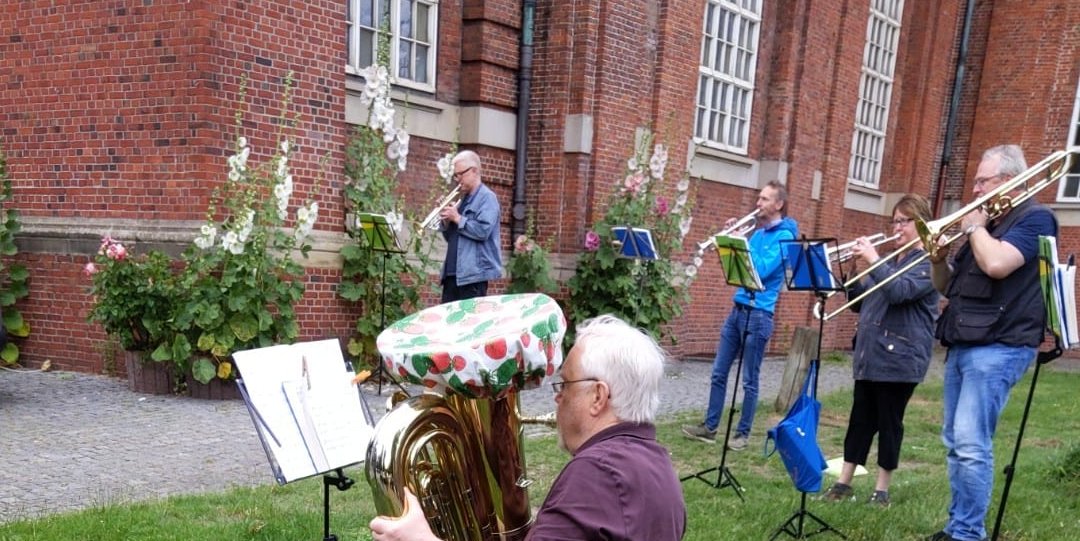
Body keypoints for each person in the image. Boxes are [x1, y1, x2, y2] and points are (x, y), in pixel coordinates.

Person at [369, 314, 687, 541]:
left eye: (565, 384)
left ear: (598, 397)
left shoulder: (596, 475)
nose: (558, 397)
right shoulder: (660, 467)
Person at [924, 145, 1055, 541]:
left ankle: (968, 534)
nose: (976, 188)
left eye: (983, 180)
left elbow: (998, 264)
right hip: (965, 343)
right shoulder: (987, 225)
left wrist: (974, 228)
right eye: (977, 181)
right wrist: (937, 258)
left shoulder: (1035, 219)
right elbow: (945, 286)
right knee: (955, 443)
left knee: (970, 443)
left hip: (1000, 346)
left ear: (1009, 181)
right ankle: (958, 526)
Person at [820, 194, 940, 508]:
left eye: (905, 220)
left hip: (901, 358)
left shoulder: (930, 262)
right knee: (859, 420)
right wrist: (851, 272)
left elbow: (900, 292)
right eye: (895, 220)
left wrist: (874, 261)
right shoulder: (892, 261)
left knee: (889, 422)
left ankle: (882, 489)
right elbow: (860, 303)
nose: (897, 226)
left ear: (921, 224)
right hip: (871, 354)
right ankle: (844, 481)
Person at [683, 180, 799, 450]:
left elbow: (759, 270)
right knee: (718, 372)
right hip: (738, 309)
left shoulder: (785, 238)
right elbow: (735, 267)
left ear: (778, 204)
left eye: (764, 199)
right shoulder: (757, 235)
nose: (758, 204)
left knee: (749, 379)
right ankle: (709, 427)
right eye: (758, 198)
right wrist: (731, 241)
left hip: (760, 314)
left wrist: (739, 242)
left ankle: (742, 433)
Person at [438, 150, 503, 303]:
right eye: (455, 175)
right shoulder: (462, 200)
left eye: (461, 174)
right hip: (452, 275)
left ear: (474, 171)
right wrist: (447, 220)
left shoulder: (487, 198)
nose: (457, 179)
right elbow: (451, 238)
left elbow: (483, 231)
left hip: (472, 277)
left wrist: (457, 218)